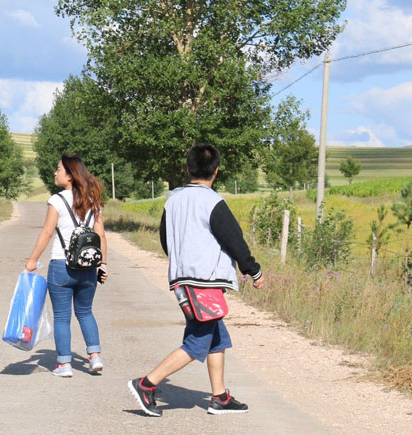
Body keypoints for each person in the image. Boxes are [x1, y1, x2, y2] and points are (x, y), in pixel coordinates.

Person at [128, 143, 264, 416]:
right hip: (204, 282)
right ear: (216, 171)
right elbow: (234, 240)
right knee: (197, 342)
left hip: (184, 279)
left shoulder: (173, 200)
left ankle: (220, 396)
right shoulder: (213, 202)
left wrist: (180, 261)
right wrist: (253, 270)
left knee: (217, 337)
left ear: (187, 169)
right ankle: (147, 383)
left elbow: (166, 239)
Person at [25, 153, 108, 377]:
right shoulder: (93, 201)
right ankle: (95, 357)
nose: (55, 173)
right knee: (86, 312)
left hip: (61, 265)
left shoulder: (57, 200)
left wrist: (32, 259)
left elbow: (47, 232)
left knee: (62, 317)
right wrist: (103, 265)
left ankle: (64, 364)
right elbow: (100, 235)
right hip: (89, 267)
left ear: (70, 175)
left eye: (58, 169)